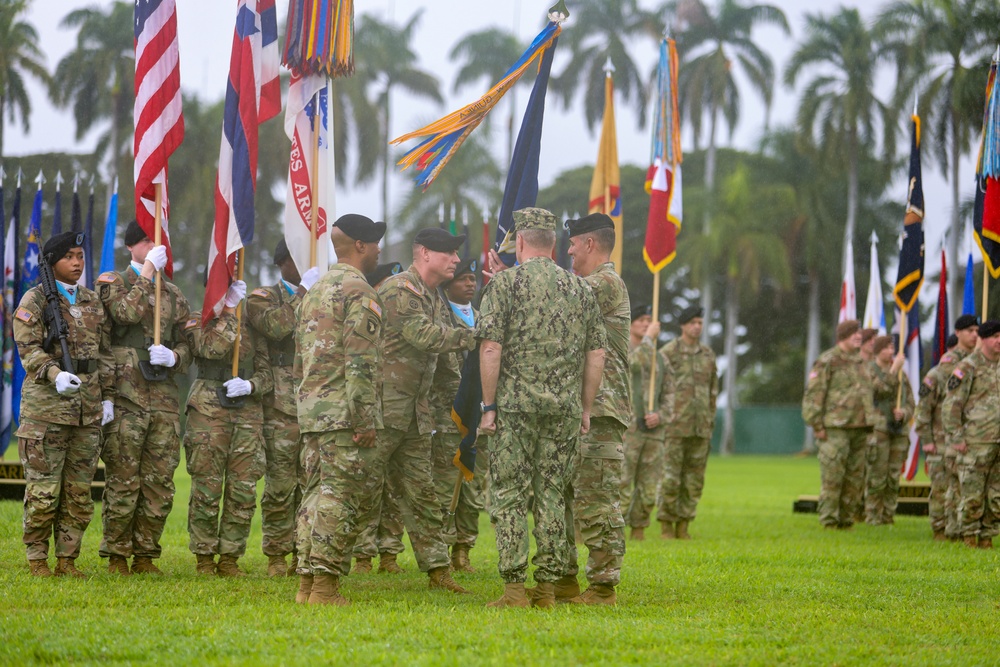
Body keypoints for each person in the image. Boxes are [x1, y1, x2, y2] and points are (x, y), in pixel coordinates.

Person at [477, 207, 606, 609]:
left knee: (511, 494)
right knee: (552, 494)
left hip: (515, 408)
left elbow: (491, 347)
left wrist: (489, 405)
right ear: (552, 244)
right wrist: (585, 408)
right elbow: (596, 353)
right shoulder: (582, 288)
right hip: (564, 410)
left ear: (519, 242)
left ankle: (515, 590)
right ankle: (548, 590)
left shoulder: (505, 285)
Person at [369, 227, 476, 594]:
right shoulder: (401, 289)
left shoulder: (433, 297)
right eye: (450, 253)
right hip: (382, 411)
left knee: (423, 495)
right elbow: (425, 336)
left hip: (415, 416)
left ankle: (437, 570)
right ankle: (318, 569)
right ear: (425, 253)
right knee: (355, 489)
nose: (457, 261)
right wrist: (478, 335)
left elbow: (446, 363)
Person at [293, 214, 385, 606]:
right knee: (340, 497)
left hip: (314, 412)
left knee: (314, 496)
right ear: (361, 247)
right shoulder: (359, 291)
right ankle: (325, 588)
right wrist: (364, 419)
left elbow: (299, 360)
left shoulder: (315, 290)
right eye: (376, 243)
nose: (380, 249)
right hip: (344, 415)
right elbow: (360, 362)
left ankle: (306, 584)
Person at [15, 231, 115, 577]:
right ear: (52, 261)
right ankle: (37, 560)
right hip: (46, 410)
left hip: (86, 410)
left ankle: (67, 560)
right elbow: (27, 348)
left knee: (78, 492)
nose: (77, 263)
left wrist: (108, 396)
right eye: (69, 256)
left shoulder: (90, 300)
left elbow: (104, 354)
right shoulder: (35, 299)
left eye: (81, 256)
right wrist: (53, 372)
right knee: (44, 490)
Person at [96, 220, 192, 576]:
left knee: (159, 480)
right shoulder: (113, 283)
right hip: (126, 395)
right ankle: (118, 554)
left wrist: (176, 356)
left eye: (158, 241)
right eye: (148, 241)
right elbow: (124, 314)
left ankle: (146, 554)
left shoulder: (173, 293)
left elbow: (187, 342)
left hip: (163, 397)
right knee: (124, 478)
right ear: (132, 247)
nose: (155, 245)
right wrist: (148, 272)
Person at [557, 212, 631, 606]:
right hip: (577, 409)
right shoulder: (586, 282)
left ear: (589, 243)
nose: (567, 251)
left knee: (596, 500)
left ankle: (603, 587)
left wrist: (521, 279)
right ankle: (564, 579)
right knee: (566, 497)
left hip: (601, 411)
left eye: (571, 244)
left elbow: (558, 302)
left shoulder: (604, 283)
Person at [183, 280, 273, 576]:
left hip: (246, 412)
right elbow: (210, 349)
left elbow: (267, 374)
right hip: (208, 410)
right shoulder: (199, 319)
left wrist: (250, 385)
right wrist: (230, 312)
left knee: (243, 489)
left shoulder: (251, 326)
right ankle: (205, 558)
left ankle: (231, 558)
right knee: (207, 487)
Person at [246, 240, 320, 577]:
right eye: (300, 258)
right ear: (283, 262)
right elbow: (276, 326)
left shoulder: (320, 295)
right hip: (280, 405)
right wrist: (304, 290)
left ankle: (303, 554)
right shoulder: (262, 297)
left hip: (314, 401)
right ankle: (277, 555)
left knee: (310, 484)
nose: (307, 264)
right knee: (280, 485)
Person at [428, 257, 484, 573]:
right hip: (448, 411)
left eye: (473, 279)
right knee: (446, 482)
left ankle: (464, 548)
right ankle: (443, 549)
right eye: (463, 279)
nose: (470, 284)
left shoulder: (482, 317)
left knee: (472, 482)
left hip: (478, 413)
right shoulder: (441, 315)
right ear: (449, 284)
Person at [351, 260, 407, 576]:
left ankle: (389, 554)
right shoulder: (363, 316)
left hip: (397, 411)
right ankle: (362, 555)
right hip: (370, 410)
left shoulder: (400, 321)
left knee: (394, 490)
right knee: (367, 486)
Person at [802, 320, 876, 530]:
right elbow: (814, 394)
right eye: (854, 334)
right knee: (833, 477)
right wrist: (816, 425)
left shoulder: (861, 363)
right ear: (844, 336)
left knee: (854, 479)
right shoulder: (828, 360)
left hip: (860, 427)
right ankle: (829, 521)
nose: (859, 337)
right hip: (835, 429)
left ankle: (846, 520)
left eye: (859, 334)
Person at [656, 305, 718, 539]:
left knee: (694, 481)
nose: (696, 327)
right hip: (674, 425)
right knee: (671, 478)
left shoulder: (708, 355)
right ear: (683, 325)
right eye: (692, 322)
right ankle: (666, 526)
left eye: (700, 323)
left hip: (700, 427)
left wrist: (710, 420)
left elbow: (713, 390)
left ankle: (684, 524)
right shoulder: (668, 352)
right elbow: (658, 387)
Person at [915, 316, 978, 540]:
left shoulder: (979, 363)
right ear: (958, 333)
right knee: (942, 488)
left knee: (963, 488)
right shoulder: (942, 370)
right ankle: (940, 529)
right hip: (941, 441)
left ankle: (959, 527)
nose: (974, 335)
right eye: (969, 330)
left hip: (969, 438)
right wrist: (927, 439)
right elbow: (923, 408)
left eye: (977, 330)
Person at [942, 319, 1000, 549]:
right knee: (972, 494)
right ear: (983, 339)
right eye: (994, 336)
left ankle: (987, 538)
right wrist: (957, 438)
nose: (998, 341)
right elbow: (951, 405)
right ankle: (968, 537)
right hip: (975, 442)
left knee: (995, 496)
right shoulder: (968, 367)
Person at [621, 305, 672, 542]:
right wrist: (649, 340)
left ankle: (639, 528)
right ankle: (614, 531)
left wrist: (661, 414)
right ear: (630, 324)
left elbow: (671, 392)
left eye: (649, 320)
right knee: (621, 483)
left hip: (653, 432)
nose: (645, 324)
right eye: (641, 320)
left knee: (649, 486)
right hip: (627, 430)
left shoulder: (660, 359)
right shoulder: (623, 350)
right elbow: (631, 365)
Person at [865, 335, 911, 525]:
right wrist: (893, 370)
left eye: (893, 348)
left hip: (898, 431)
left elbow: (910, 401)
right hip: (880, 429)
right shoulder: (869, 371)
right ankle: (873, 516)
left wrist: (905, 413)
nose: (891, 351)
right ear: (877, 350)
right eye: (887, 348)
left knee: (893, 476)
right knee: (877, 475)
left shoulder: (902, 374)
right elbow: (879, 391)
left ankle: (888, 515)